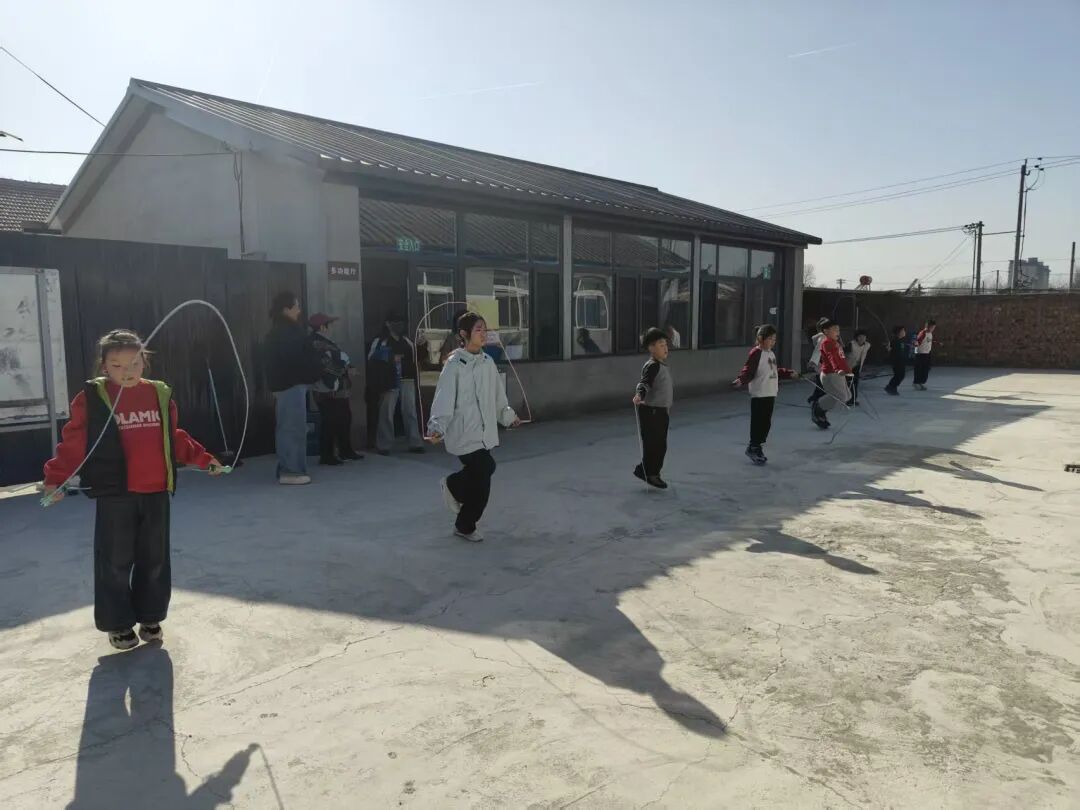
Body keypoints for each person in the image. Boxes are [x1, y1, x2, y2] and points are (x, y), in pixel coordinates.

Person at [42, 329, 223, 650]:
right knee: (114, 561)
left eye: (135, 364)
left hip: (156, 492)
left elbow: (174, 436)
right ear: (104, 366)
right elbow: (75, 441)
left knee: (155, 559)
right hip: (116, 494)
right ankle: (118, 624)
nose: (127, 371)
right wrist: (56, 478)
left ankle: (150, 617)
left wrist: (204, 459)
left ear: (145, 362)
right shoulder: (93, 398)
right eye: (117, 365)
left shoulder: (158, 394)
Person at [427, 312, 521, 542]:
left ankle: (460, 511)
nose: (483, 334)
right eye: (478, 329)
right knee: (485, 468)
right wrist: (437, 427)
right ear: (464, 334)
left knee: (482, 478)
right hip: (463, 431)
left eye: (485, 329)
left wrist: (508, 417)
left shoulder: (488, 362)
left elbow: (498, 396)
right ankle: (458, 503)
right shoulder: (454, 365)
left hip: (484, 432)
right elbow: (444, 399)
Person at [265, 291, 321, 485]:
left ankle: (288, 467)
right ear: (286, 309)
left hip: (288, 385)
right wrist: (312, 372)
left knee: (290, 427)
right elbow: (294, 359)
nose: (299, 310)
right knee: (292, 429)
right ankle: (291, 471)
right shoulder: (286, 332)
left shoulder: (281, 331)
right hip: (290, 385)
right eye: (296, 306)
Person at [733, 324, 798, 464]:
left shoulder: (771, 354)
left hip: (770, 392)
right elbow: (748, 370)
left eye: (774, 339)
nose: (773, 342)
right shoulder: (756, 353)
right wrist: (741, 380)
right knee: (758, 422)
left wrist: (788, 373)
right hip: (759, 393)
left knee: (766, 423)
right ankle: (753, 447)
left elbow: (773, 371)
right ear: (760, 339)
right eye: (770, 339)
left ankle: (758, 447)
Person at [307, 313, 362, 466]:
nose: (333, 327)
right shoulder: (314, 343)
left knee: (344, 418)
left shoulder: (327, 342)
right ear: (322, 327)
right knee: (329, 422)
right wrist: (345, 370)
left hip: (337, 388)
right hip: (325, 389)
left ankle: (345, 451)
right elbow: (323, 365)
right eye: (330, 324)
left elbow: (341, 359)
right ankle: (327, 456)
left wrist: (348, 368)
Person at [368, 312, 424, 456]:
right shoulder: (380, 340)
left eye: (401, 322)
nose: (399, 325)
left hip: (407, 378)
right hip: (389, 381)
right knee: (386, 412)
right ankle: (384, 444)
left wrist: (421, 345)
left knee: (410, 411)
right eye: (395, 322)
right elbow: (372, 358)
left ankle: (415, 442)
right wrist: (391, 357)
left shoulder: (407, 340)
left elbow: (417, 357)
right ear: (387, 324)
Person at [632, 327, 672, 489]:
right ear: (651, 348)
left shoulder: (661, 365)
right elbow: (644, 383)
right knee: (654, 445)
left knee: (660, 444)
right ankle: (650, 473)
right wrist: (639, 394)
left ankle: (647, 470)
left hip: (660, 411)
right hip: (652, 412)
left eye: (665, 344)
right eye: (661, 345)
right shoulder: (652, 366)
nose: (665, 348)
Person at [812, 319, 852, 430]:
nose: (838, 332)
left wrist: (847, 370)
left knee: (847, 396)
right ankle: (818, 408)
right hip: (830, 374)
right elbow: (832, 357)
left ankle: (821, 410)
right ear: (826, 331)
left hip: (838, 374)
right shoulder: (826, 343)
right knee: (840, 397)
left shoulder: (836, 343)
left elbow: (841, 358)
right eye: (835, 330)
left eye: (838, 330)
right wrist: (837, 369)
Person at [806, 317, 829, 407]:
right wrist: (813, 362)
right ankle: (816, 403)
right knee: (822, 385)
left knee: (821, 385)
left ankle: (814, 399)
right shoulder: (822, 338)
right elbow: (817, 351)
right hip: (821, 364)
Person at [846, 329, 871, 406]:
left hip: (857, 366)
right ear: (856, 337)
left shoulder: (867, 345)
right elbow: (844, 353)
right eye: (860, 336)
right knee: (850, 383)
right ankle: (849, 400)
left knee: (855, 383)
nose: (862, 338)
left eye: (864, 337)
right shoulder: (851, 344)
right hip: (848, 367)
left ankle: (853, 400)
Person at [913, 319, 937, 390]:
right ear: (927, 326)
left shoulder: (930, 334)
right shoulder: (923, 333)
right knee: (919, 369)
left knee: (926, 369)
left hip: (927, 354)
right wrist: (916, 343)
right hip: (920, 354)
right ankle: (916, 383)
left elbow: (928, 341)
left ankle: (921, 382)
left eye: (934, 327)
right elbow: (918, 341)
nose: (933, 329)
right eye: (932, 327)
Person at [884, 326, 908, 395]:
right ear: (898, 333)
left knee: (901, 375)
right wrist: (888, 349)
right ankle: (891, 387)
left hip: (902, 361)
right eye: (903, 331)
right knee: (898, 375)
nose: (904, 332)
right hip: (896, 362)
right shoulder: (894, 341)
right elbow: (890, 351)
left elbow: (903, 350)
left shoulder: (902, 341)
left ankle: (892, 387)